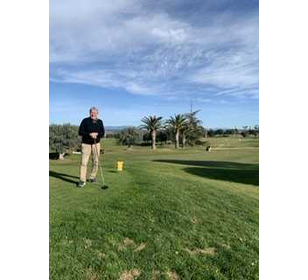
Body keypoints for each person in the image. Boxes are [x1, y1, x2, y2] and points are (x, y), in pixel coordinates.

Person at [77, 107, 105, 188]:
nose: (93, 114)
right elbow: (80, 132)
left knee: (96, 161)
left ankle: (92, 177)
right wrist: (89, 134)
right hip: (86, 144)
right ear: (90, 113)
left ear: (97, 113)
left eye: (95, 112)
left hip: (96, 144)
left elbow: (102, 133)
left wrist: (97, 134)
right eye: (92, 112)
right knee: (84, 163)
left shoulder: (100, 122)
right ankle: (82, 180)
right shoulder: (85, 121)